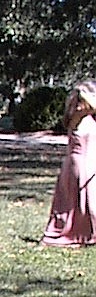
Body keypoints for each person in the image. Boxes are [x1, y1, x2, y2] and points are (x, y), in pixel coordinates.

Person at [40, 80, 96, 247]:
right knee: (79, 202)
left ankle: (87, 232)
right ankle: (77, 233)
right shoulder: (77, 116)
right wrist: (83, 94)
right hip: (79, 163)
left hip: (88, 160)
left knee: (88, 201)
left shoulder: (89, 118)